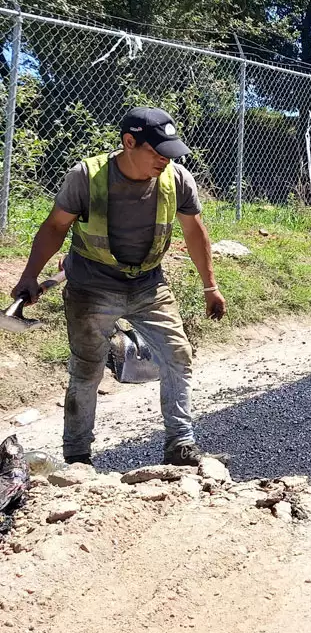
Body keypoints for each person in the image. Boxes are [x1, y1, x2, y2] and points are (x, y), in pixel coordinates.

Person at [8, 107, 228, 468]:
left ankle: (181, 444)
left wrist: (210, 287)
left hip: (149, 285)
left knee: (178, 355)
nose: (164, 160)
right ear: (129, 142)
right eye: (156, 152)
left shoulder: (177, 179)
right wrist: (30, 275)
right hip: (91, 287)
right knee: (87, 370)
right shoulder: (87, 176)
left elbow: (194, 232)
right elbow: (54, 228)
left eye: (169, 152)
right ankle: (77, 458)